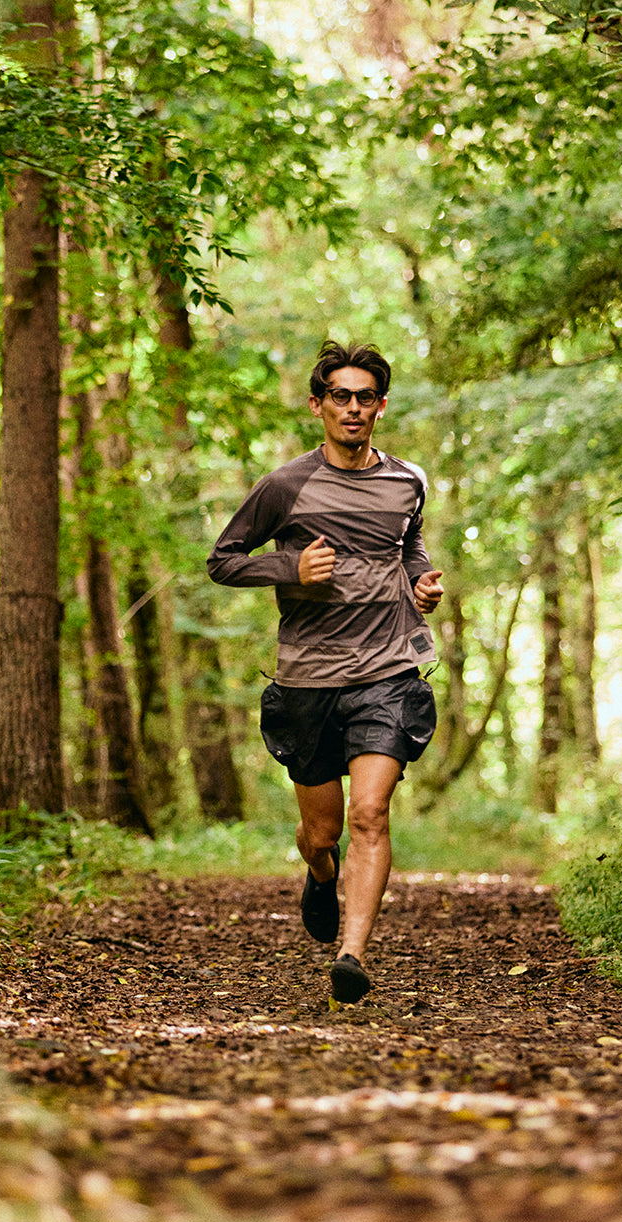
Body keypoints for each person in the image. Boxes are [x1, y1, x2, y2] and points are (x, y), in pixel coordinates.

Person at [207, 339, 444, 1004]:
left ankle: (351, 954)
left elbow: (408, 548)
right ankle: (318, 875)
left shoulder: (408, 481)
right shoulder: (285, 485)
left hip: (390, 669)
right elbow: (222, 560)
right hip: (309, 679)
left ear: (380, 406)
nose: (352, 408)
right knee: (324, 832)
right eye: (339, 395)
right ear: (317, 406)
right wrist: (288, 568)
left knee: (371, 812)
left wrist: (419, 585)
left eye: (364, 397)